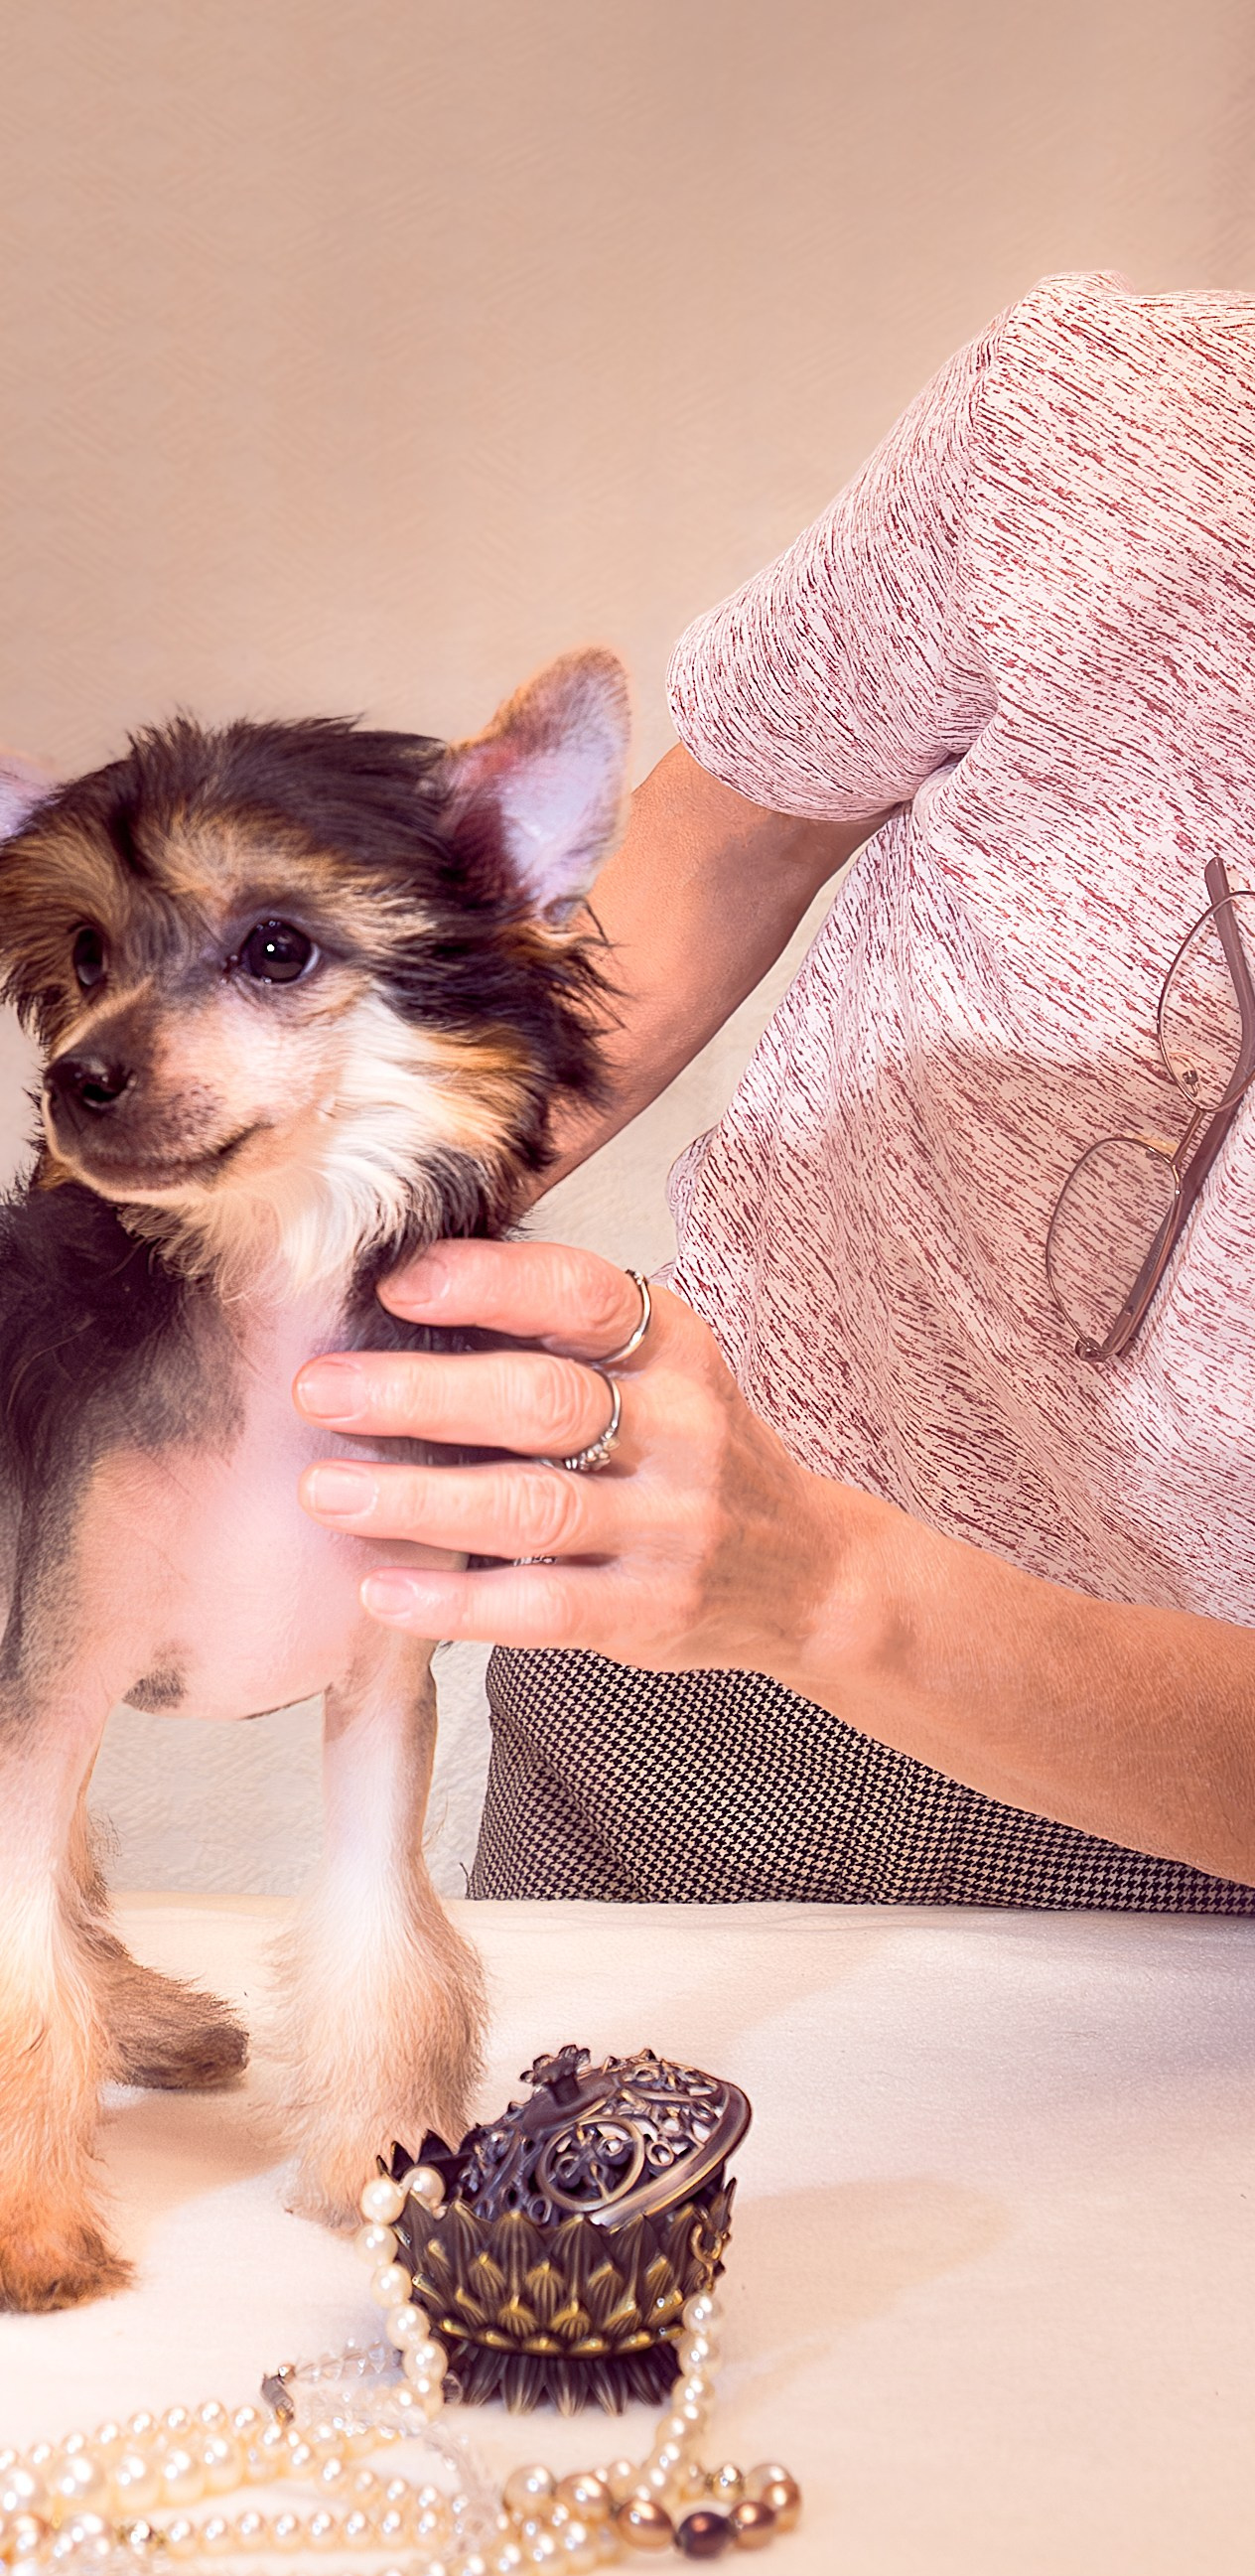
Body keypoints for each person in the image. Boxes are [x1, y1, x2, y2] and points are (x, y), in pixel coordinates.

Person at [294, 271, 1255, 1912]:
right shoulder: (1105, 414)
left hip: (1178, 1818)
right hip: (675, 1634)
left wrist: (823, 1586)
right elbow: (723, 846)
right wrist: (295, 1269)